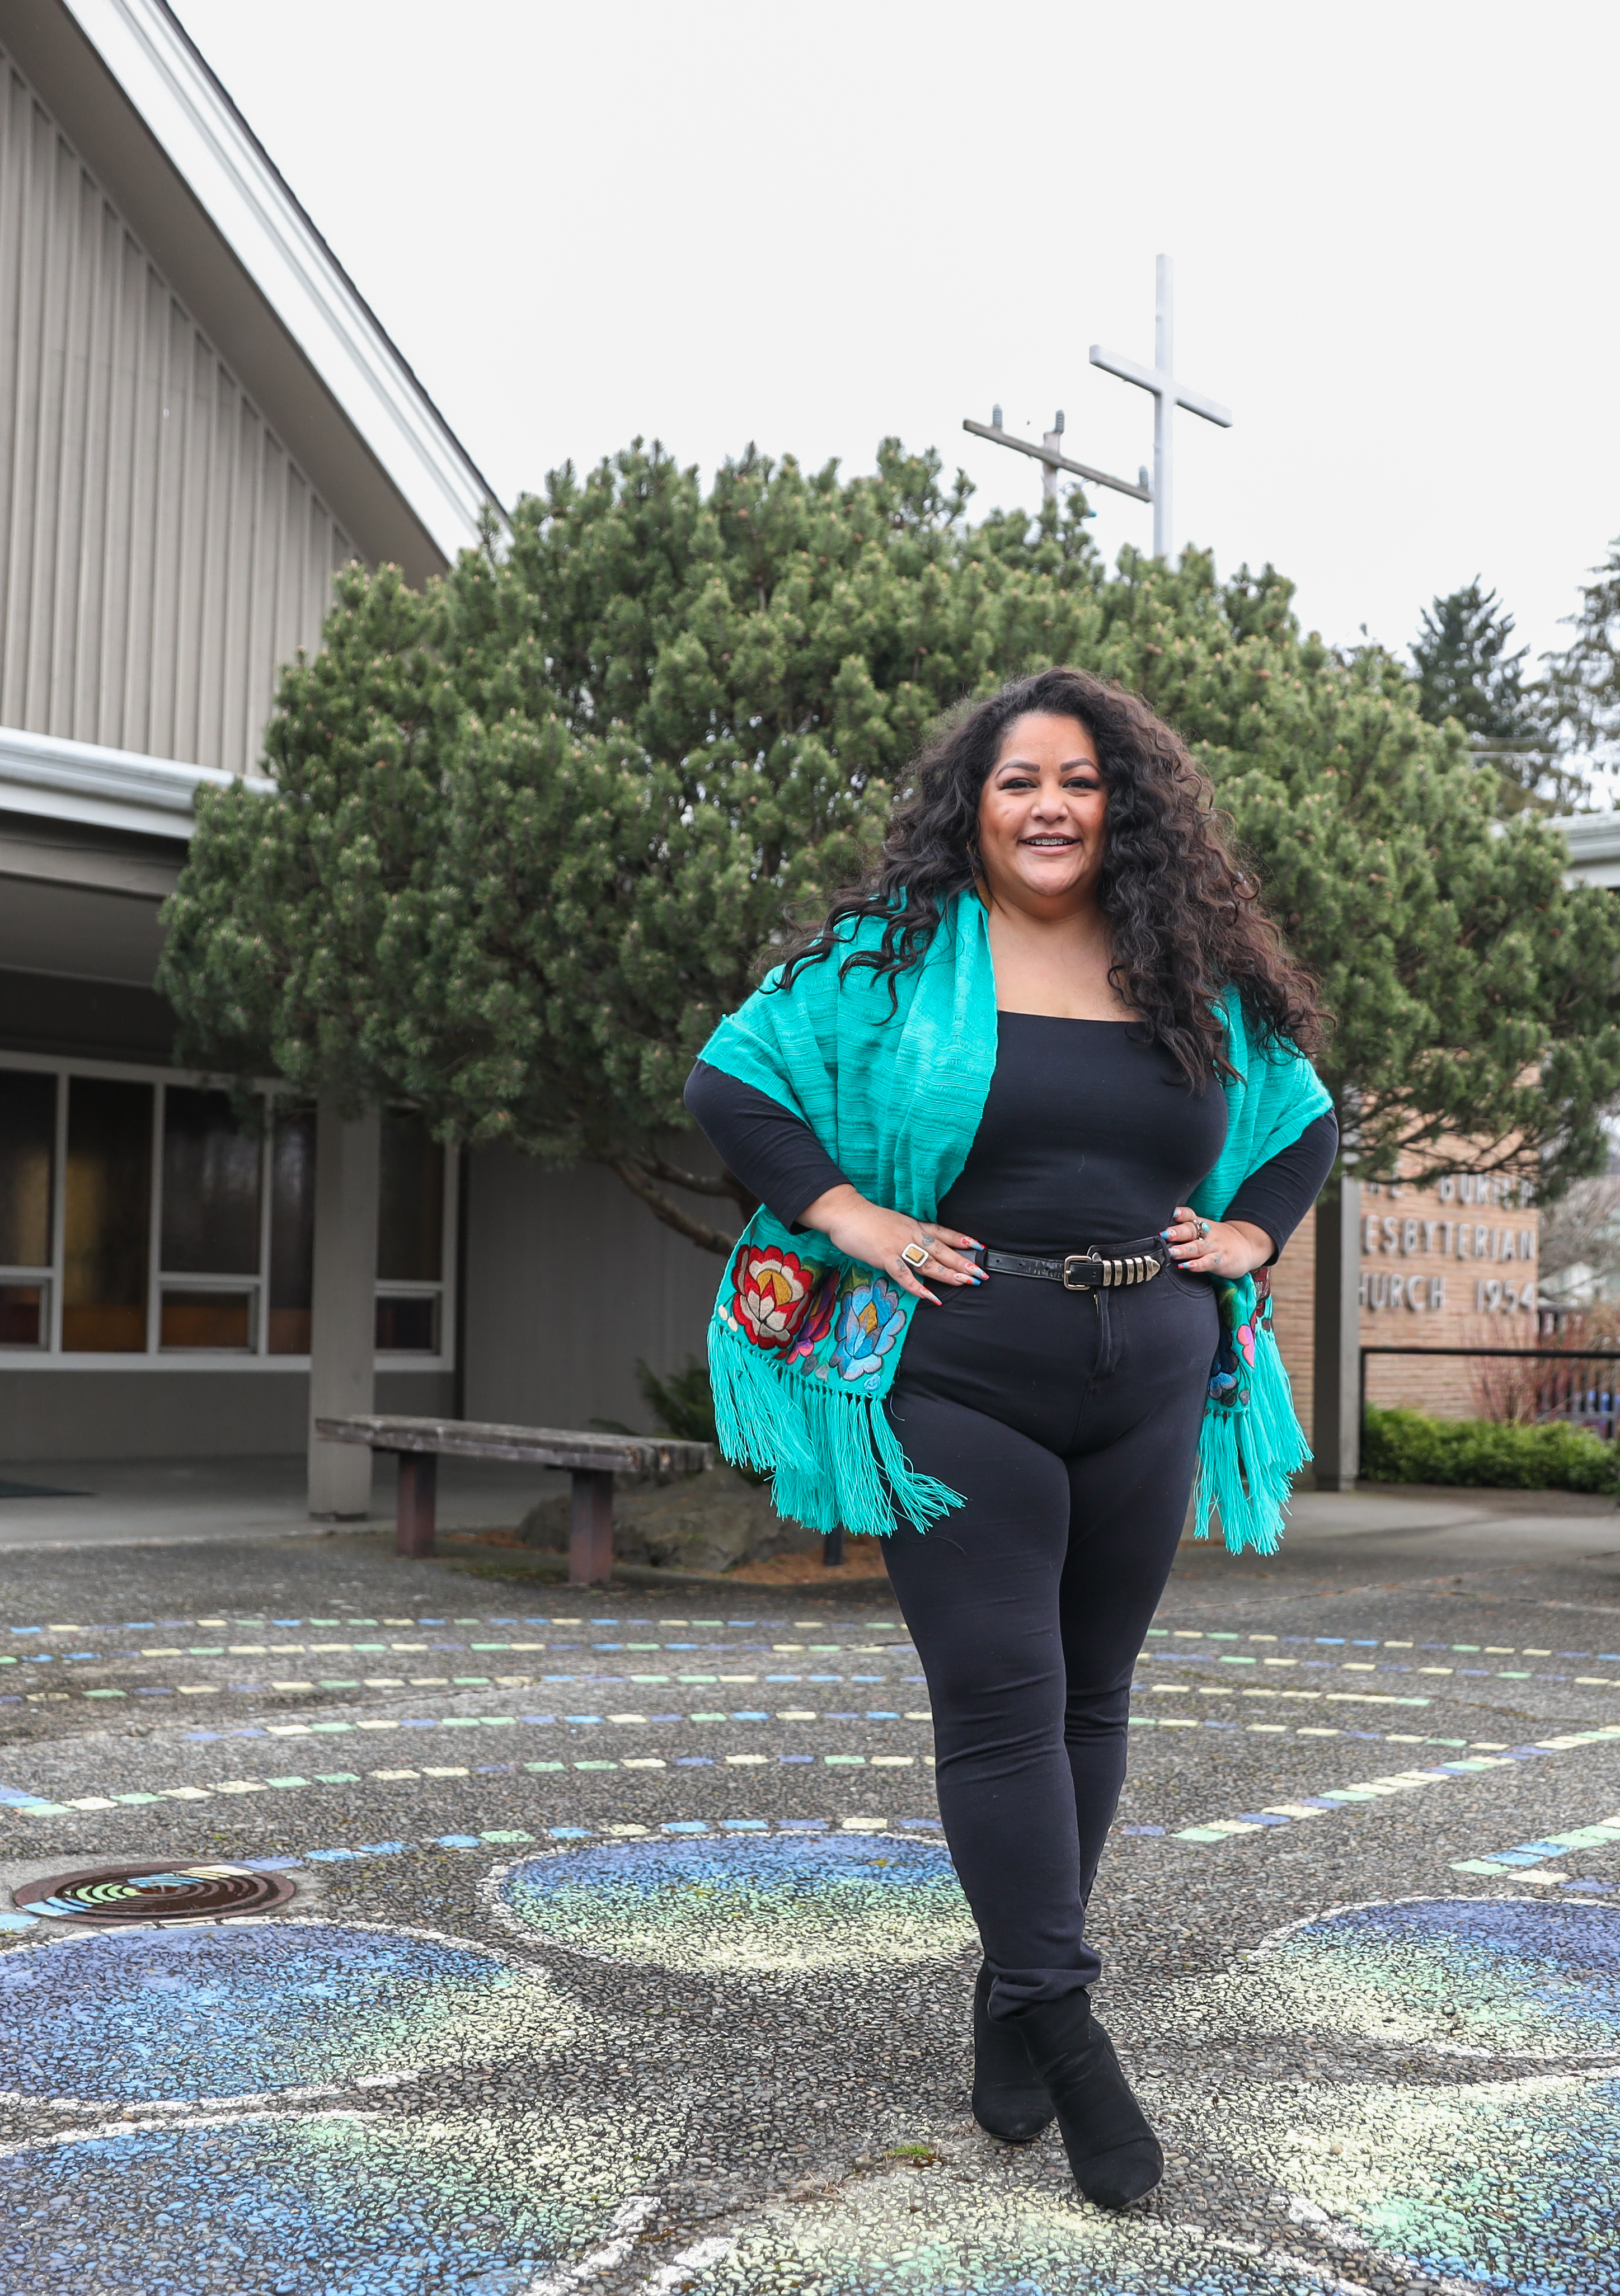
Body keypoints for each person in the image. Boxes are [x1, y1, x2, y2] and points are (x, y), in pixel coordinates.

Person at [685, 666, 1336, 2210]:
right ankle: (1069, 2022)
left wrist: (1250, 1239)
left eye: (1083, 782)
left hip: (1155, 1372)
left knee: (1093, 1693)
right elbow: (737, 1083)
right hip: (959, 1370)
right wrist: (848, 1214)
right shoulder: (895, 961)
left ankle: (1007, 1990)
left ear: (1127, 809)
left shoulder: (1192, 976)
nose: (1052, 807)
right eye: (1020, 782)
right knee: (1001, 1692)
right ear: (971, 809)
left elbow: (1305, 1122)